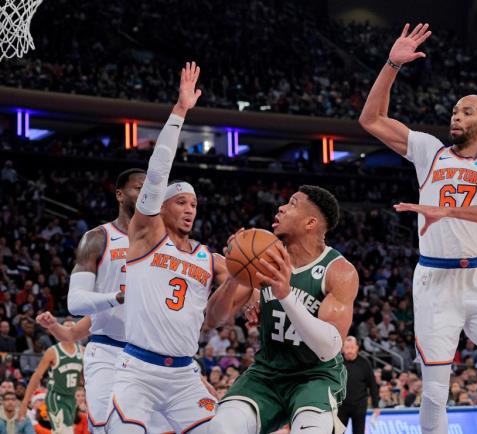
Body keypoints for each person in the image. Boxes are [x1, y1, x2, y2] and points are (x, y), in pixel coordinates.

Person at [359, 23, 477, 434]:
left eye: (467, 111)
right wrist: (391, 64)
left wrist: (450, 212)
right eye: (455, 111)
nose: (456, 116)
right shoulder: (429, 150)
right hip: (435, 281)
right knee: (434, 392)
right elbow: (371, 119)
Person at [105, 61, 230, 433]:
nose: (190, 209)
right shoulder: (144, 236)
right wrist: (179, 112)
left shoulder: (209, 257)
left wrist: (254, 295)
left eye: (194, 204)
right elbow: (158, 174)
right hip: (138, 371)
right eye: (181, 203)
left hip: (184, 374)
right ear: (160, 206)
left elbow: (242, 281)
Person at [206, 185, 359, 434]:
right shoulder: (262, 257)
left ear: (310, 223)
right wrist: (236, 274)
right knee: (221, 428)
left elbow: (329, 348)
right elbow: (213, 320)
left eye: (292, 204)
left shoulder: (339, 271)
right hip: (267, 373)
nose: (281, 208)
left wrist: (286, 296)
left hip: (315, 377)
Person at [37, 168, 176, 431]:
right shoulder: (98, 237)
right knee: (105, 426)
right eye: (138, 187)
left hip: (151, 353)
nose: (146, 192)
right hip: (108, 350)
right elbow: (75, 302)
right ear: (120, 195)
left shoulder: (166, 243)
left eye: (150, 188)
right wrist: (119, 296)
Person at [18, 320, 83, 434]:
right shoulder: (53, 351)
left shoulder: (82, 350)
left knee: (67, 430)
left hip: (71, 397)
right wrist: (24, 402)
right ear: (60, 331)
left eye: (72, 327)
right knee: (63, 431)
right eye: (66, 327)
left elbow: (83, 378)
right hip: (55, 397)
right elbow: (36, 376)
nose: (69, 329)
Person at [337, 336, 379, 434]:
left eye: (352, 347)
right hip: (341, 406)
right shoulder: (338, 363)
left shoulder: (364, 363)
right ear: (342, 349)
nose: (349, 350)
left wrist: (376, 406)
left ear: (357, 348)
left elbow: (372, 385)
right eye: (347, 348)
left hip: (359, 406)